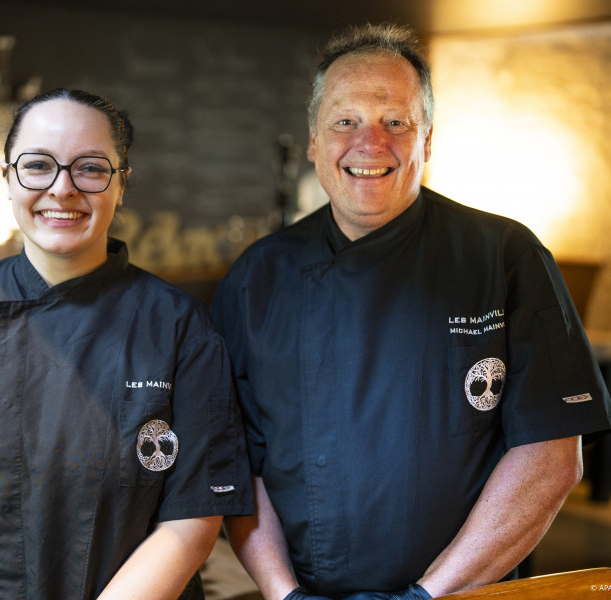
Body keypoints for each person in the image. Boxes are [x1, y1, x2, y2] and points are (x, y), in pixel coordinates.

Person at [211, 23, 611, 600]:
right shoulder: (256, 278)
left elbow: (551, 457)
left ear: (427, 139)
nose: (369, 143)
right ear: (314, 141)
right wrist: (282, 593)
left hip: (467, 593)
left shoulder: (504, 256)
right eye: (344, 122)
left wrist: (427, 596)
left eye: (395, 122)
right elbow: (235, 461)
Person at [0, 88, 253, 600]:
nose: (62, 189)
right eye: (38, 165)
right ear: (8, 179)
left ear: (121, 185)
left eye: (91, 168)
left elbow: (191, 522)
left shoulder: (179, 326)